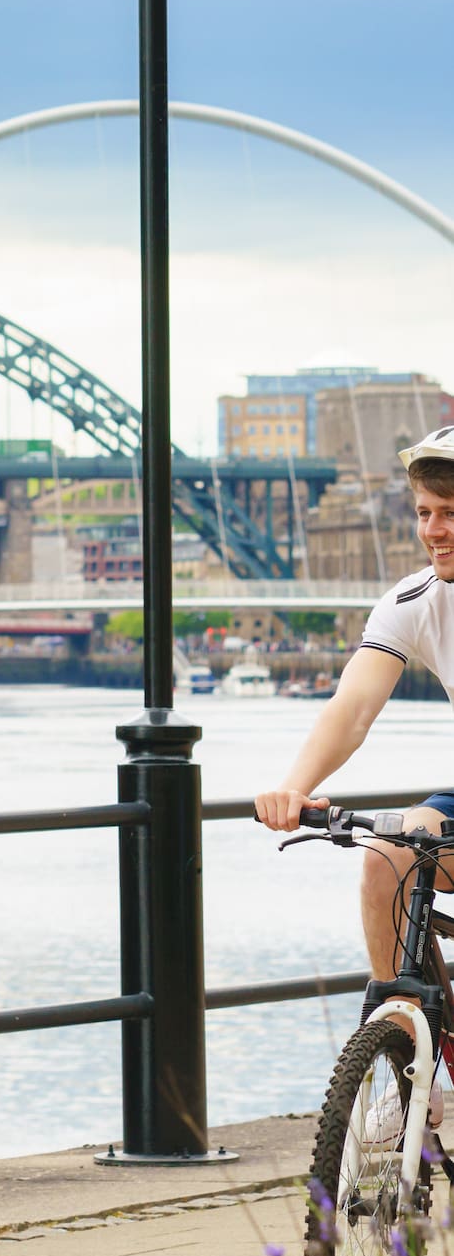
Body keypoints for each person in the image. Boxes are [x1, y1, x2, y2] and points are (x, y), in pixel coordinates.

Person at [256, 425, 454, 1124]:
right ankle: (413, 1071)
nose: (432, 529)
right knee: (387, 857)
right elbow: (352, 708)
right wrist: (294, 783)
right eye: (424, 511)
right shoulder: (414, 601)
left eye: (449, 513)